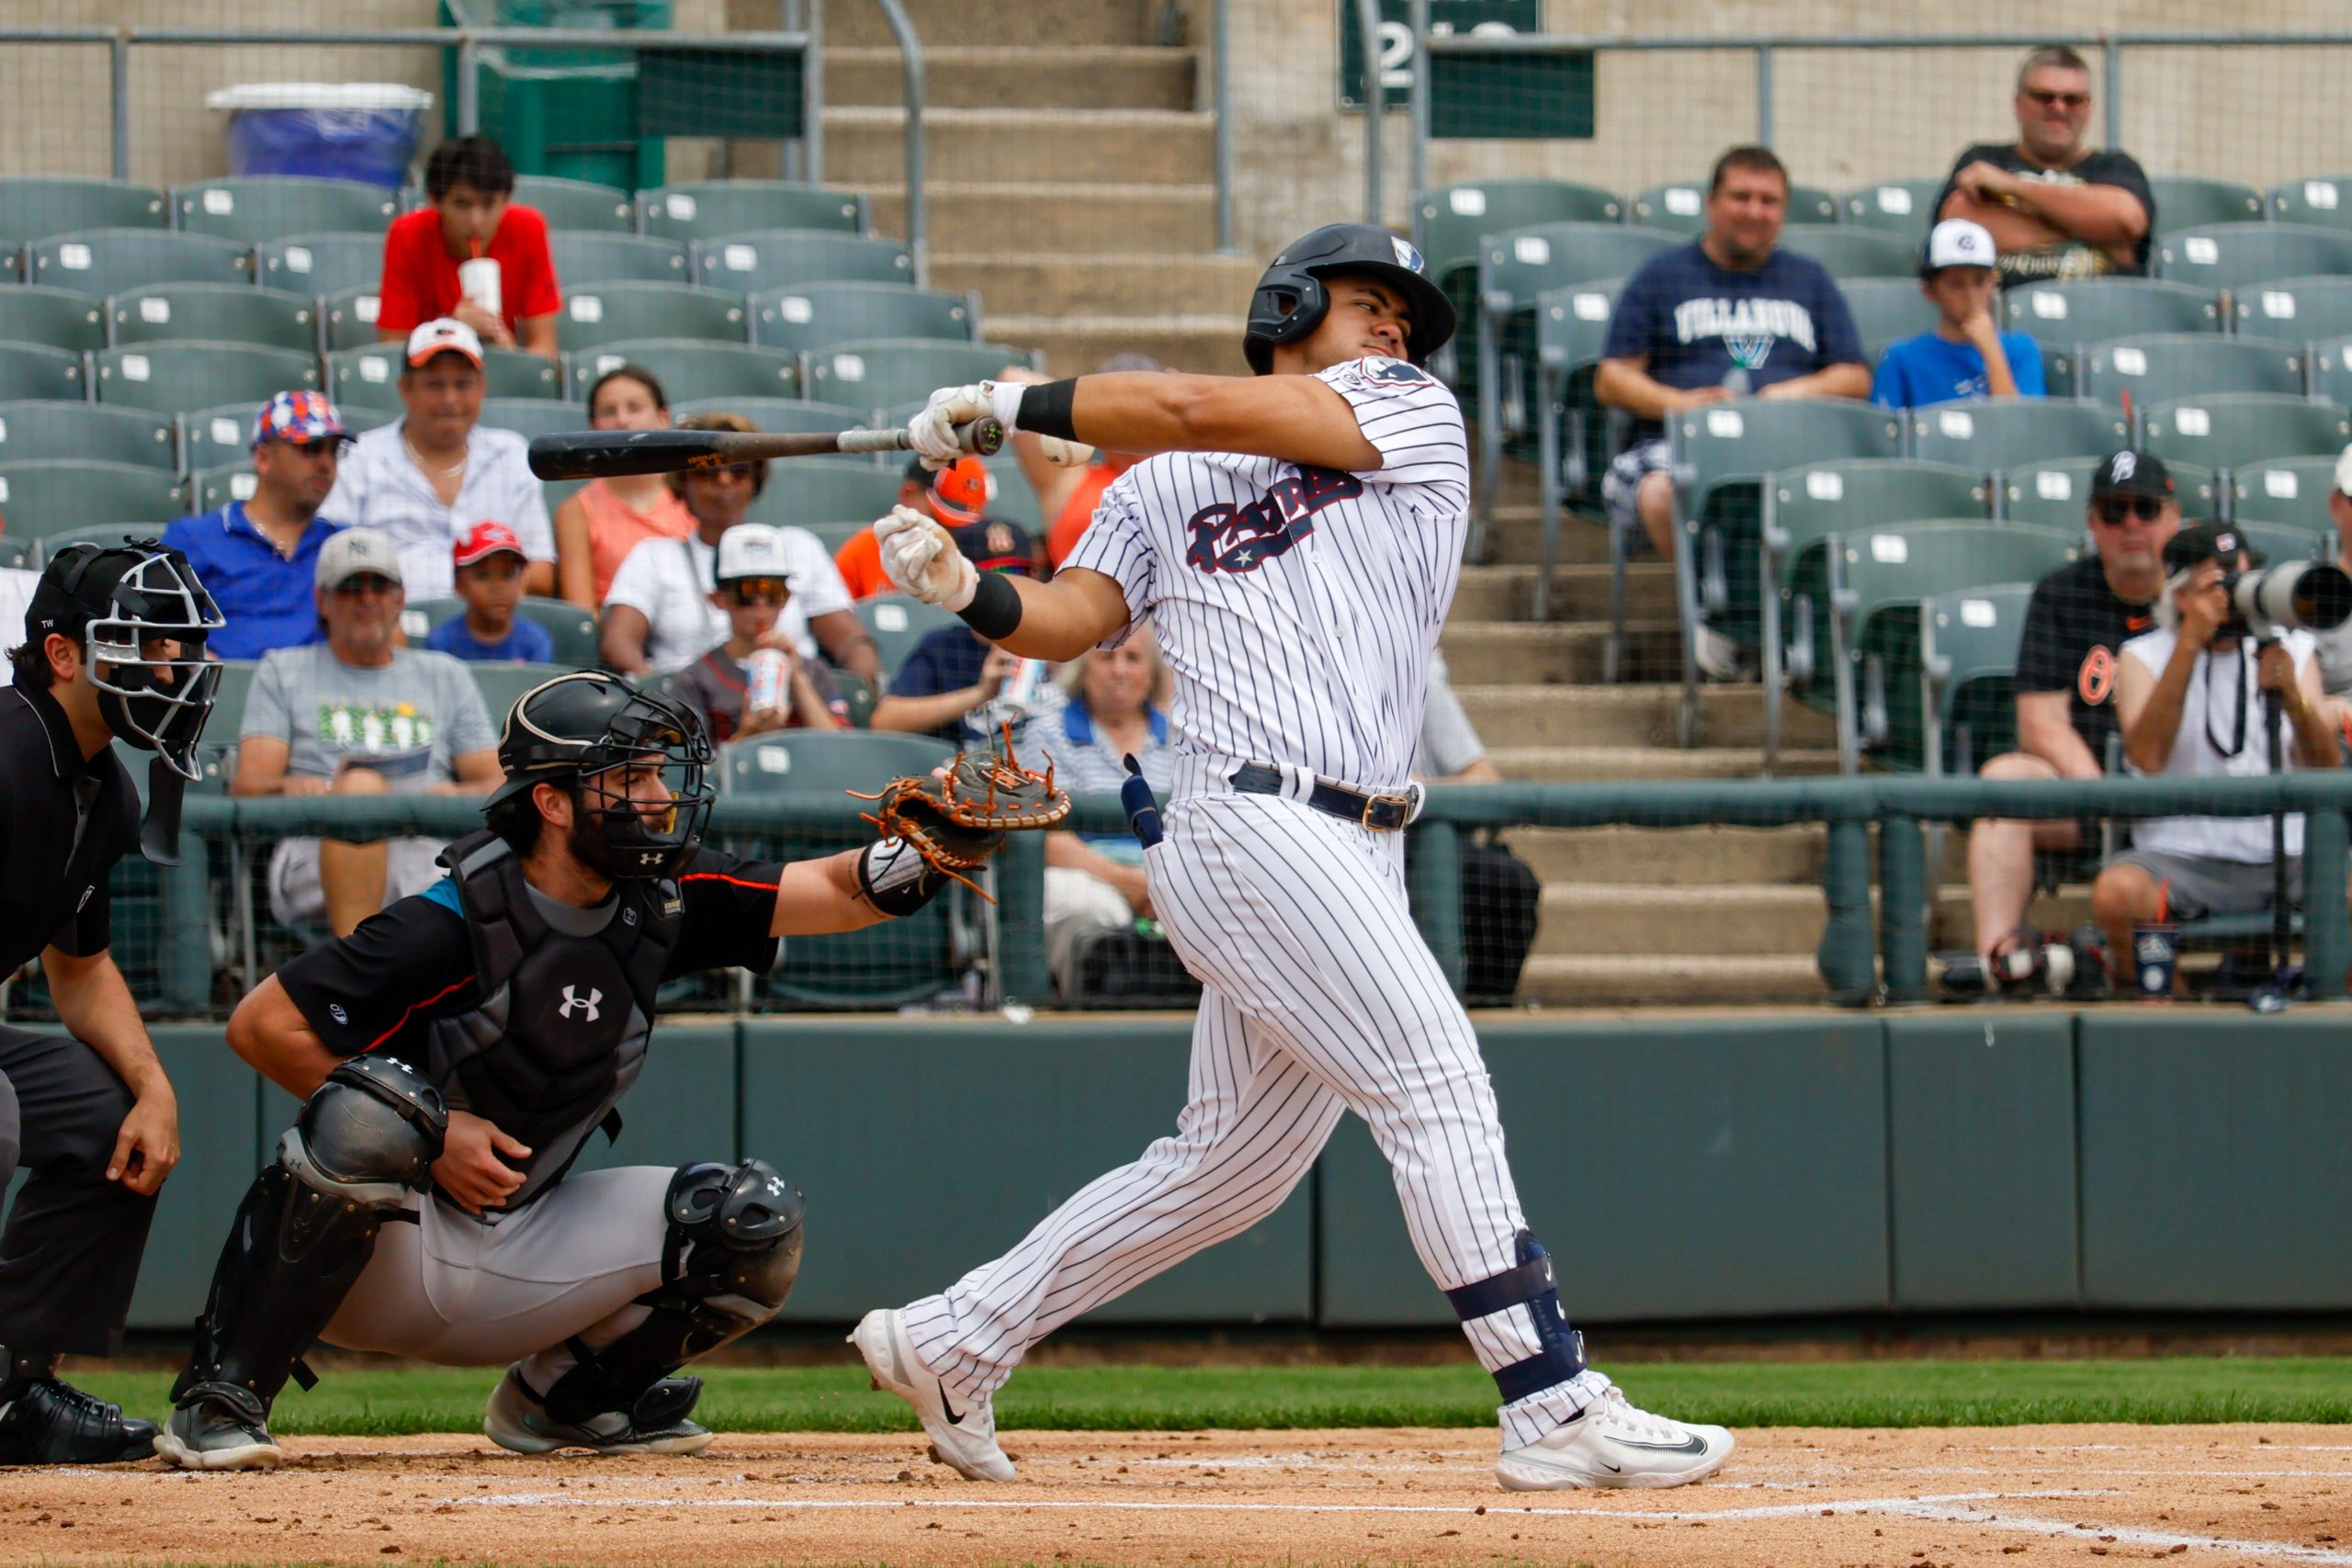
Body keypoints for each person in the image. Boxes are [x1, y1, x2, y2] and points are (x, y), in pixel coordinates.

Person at [854, 221, 1732, 1493]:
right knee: (1433, 1080)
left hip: (1355, 836)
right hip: (1246, 818)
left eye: (1402, 314)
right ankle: (1548, 1395)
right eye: (1368, 302)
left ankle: (955, 1336)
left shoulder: (1409, 410)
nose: (1393, 328)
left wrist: (1000, 400)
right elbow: (1069, 619)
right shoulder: (1155, 484)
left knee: (1229, 1167)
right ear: (1289, 302)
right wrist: (960, 586)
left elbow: (1188, 399)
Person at [155, 667, 1017, 1470]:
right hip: (385, 1254)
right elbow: (261, 1023)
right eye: (630, 778)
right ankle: (221, 1395)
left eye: (656, 776)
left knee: (751, 1221)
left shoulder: (662, 898)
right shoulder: (448, 922)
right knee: (373, 1107)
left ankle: (567, 1401)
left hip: (527, 1241)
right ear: (553, 802)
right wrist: (437, 1133)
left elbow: (834, 891)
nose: (657, 798)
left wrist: (940, 843)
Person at [0, 542, 223, 1464]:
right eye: (148, 646)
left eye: (181, 650)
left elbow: (80, 968)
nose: (173, 670)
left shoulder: (105, 787)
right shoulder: (5, 751)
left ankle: (13, 1387)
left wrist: (151, 1083)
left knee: (105, 1117)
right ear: (64, 655)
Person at [1594, 146, 1869, 672]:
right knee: (1658, 492)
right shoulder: (1663, 276)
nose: (1754, 210)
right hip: (1683, 445)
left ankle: (1788, 627)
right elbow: (1611, 377)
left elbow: (1854, 376)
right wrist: (1682, 404)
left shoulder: (1809, 280)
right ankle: (1717, 617)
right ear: (1712, 203)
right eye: (1741, 196)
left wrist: (1786, 396)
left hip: (1790, 448)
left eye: (1769, 200)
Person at [2090, 522, 2339, 974]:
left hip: (2291, 852)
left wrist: (2296, 704)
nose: (2236, 591)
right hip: (2183, 856)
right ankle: (2177, 1019)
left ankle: (2328, 1007)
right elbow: (2148, 756)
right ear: (2181, 595)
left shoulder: (2295, 650)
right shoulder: (2142, 655)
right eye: (2220, 580)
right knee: (2117, 894)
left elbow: (2327, 768)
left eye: (2244, 575)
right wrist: (2190, 643)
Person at [1964, 450, 2178, 972]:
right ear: (2092, 524)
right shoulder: (2062, 594)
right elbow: (2040, 723)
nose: (2130, 524)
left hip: (2184, 795)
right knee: (2004, 785)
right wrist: (2102, 792)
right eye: (2113, 511)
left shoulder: (2198, 598)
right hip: (2089, 798)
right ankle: (2002, 962)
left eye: (2145, 509)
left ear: (2174, 519)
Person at [232, 529, 502, 940]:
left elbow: (494, 782)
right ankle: (355, 976)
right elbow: (248, 785)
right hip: (319, 847)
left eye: (380, 585)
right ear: (322, 601)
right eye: (350, 586)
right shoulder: (282, 670)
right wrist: (300, 788)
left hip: (425, 848)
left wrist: (450, 797)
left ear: (399, 599)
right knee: (359, 788)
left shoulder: (446, 675)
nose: (367, 598)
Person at [599, 412, 877, 682]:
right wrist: (670, 702)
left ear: (755, 480)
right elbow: (619, 643)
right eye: (708, 472)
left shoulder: (800, 547)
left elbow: (850, 642)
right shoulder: (654, 555)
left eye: (739, 470)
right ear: (684, 481)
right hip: (692, 711)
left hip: (792, 703)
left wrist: (855, 693)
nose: (725, 481)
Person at [321, 319, 556, 603]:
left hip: (490, 629)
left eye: (463, 384)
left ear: (482, 387)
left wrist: (482, 605)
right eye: (434, 385)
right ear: (405, 388)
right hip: (390, 626)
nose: (450, 398)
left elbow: (541, 570)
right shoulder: (360, 457)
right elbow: (332, 562)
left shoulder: (510, 454)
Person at [1935, 45, 2154, 285]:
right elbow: (1957, 226)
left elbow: (2126, 220)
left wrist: (2011, 186)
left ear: (2088, 108)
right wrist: (2095, 228)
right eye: (2044, 97)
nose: (2059, 108)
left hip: (2099, 314)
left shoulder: (2116, 166)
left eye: (2073, 99)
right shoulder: (1984, 158)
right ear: (2018, 102)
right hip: (1997, 315)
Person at [159, 391, 354, 660]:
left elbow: (390, 638)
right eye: (310, 448)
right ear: (264, 458)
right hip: (222, 695)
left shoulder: (343, 545)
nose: (326, 463)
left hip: (318, 698)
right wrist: (197, 660)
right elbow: (154, 635)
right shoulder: (195, 538)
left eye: (333, 451)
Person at [1037, 629, 1173, 998]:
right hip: (1088, 875)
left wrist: (1164, 886)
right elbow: (1046, 841)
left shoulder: (1185, 738)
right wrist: (1130, 882)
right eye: (1106, 657)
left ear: (1152, 672)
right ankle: (1082, 1018)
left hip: (1171, 878)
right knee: (1082, 906)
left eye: (1133, 658)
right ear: (1083, 668)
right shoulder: (1047, 732)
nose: (1119, 670)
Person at [1414, 650, 1540, 1007]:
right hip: (1334, 845)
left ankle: (1482, 1018)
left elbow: (1484, 779)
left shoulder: (1412, 667)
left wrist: (1412, 791)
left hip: (1414, 847)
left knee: (1505, 880)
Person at [868, 519, 1064, 745]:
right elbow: (884, 721)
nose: (1013, 585)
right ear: (966, 583)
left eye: (1022, 572)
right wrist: (981, 693)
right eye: (998, 576)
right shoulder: (945, 648)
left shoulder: (1059, 638)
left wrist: (1065, 670)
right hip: (975, 771)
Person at [375, 134, 560, 358]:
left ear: (507, 199)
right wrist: (451, 329)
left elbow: (545, 351)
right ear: (435, 200)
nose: (476, 221)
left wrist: (510, 355)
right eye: (462, 204)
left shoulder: (528, 229)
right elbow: (391, 350)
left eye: (489, 204)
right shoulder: (407, 235)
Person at [665, 524, 845, 742]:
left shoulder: (812, 670)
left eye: (773, 592)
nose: (761, 605)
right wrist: (748, 733)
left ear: (786, 598)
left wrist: (797, 678)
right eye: (746, 592)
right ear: (718, 599)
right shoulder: (695, 679)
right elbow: (693, 771)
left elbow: (839, 750)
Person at [552, 365, 695, 611]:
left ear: (663, 418)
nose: (622, 420)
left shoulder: (693, 495)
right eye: (609, 411)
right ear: (592, 427)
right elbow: (583, 617)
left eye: (635, 407)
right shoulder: (576, 512)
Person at [999, 355, 1160, 570]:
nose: (1133, 419)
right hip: (1083, 600)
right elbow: (1011, 381)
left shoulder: (1184, 473)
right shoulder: (1072, 479)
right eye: (1120, 408)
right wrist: (1091, 398)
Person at [1870, 219, 2047, 410]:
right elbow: (1885, 432)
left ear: (1993, 283)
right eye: (1956, 284)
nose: (1971, 296)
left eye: (1979, 282)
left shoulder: (2021, 349)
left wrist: (1991, 351)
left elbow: (2022, 428)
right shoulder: (1901, 358)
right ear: (1930, 291)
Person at [835, 457, 994, 603]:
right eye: (942, 521)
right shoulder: (861, 552)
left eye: (965, 526)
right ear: (908, 495)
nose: (950, 536)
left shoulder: (984, 552)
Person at [424, 522, 554, 663]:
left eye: (507, 575)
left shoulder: (535, 641)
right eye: (483, 575)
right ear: (459, 584)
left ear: (521, 580)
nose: (497, 587)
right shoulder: (442, 642)